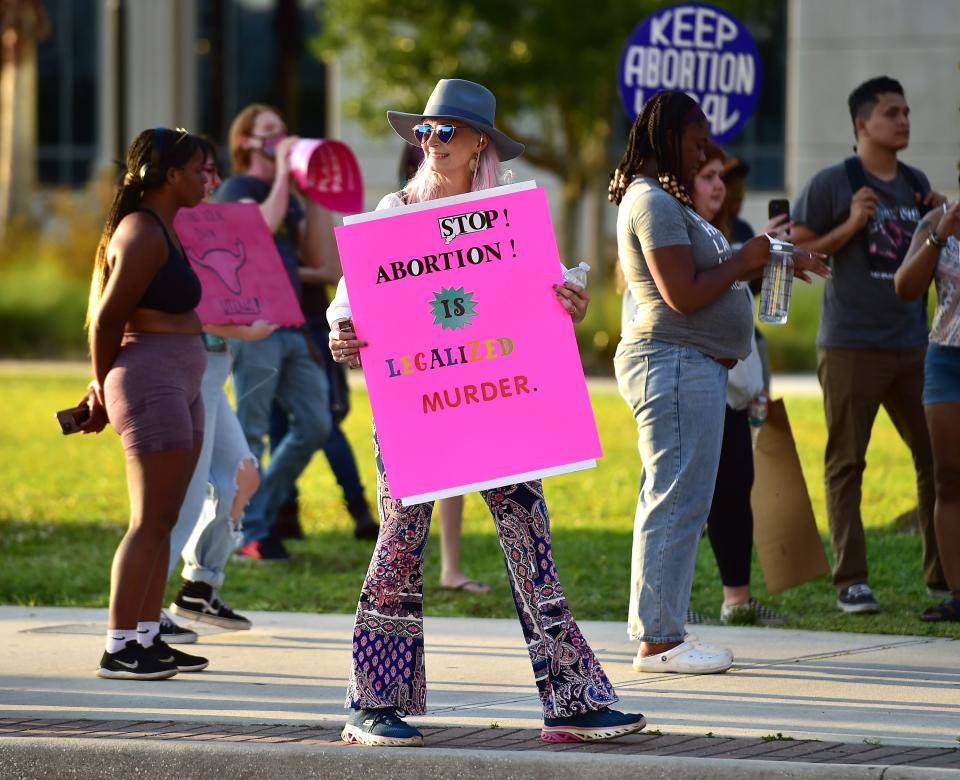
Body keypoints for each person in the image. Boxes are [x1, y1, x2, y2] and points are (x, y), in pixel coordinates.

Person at [328, 78, 645, 748]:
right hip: (417, 406)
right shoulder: (392, 210)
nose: (432, 143)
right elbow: (348, 303)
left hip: (501, 407)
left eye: (447, 132)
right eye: (425, 131)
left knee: (530, 539)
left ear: (479, 146)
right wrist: (342, 332)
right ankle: (369, 702)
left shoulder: (508, 219)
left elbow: (550, 292)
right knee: (400, 543)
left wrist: (571, 305)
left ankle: (571, 702)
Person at [608, 91, 828, 674]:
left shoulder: (665, 201)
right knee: (676, 497)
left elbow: (710, 270)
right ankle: (659, 640)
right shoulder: (650, 201)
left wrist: (775, 255)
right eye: (697, 139)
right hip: (672, 362)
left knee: (679, 495)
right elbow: (682, 294)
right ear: (666, 138)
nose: (706, 149)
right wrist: (747, 258)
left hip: (690, 365)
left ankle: (661, 631)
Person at [792, 76, 948, 613]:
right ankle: (851, 580)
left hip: (915, 343)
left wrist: (940, 224)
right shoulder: (834, 183)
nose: (904, 120)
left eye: (906, 111)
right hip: (851, 345)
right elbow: (797, 251)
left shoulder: (917, 183)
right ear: (863, 125)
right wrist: (851, 225)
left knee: (937, 460)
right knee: (847, 463)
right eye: (891, 112)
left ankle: (943, 574)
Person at [81, 127, 210, 679]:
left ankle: (147, 636)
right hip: (149, 380)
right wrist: (100, 386)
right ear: (170, 175)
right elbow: (107, 319)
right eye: (200, 170)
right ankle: (118, 647)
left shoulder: (166, 229)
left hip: (180, 380)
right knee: (148, 520)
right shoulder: (141, 232)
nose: (208, 179)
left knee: (166, 518)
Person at [161, 138, 274, 640]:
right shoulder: (164, 228)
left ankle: (199, 587)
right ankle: (143, 611)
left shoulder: (212, 225)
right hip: (188, 368)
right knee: (182, 498)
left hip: (215, 369)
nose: (210, 180)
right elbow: (187, 308)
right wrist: (242, 330)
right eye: (200, 171)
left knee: (240, 475)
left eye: (212, 171)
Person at [213, 104, 335, 562]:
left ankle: (258, 510)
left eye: (284, 131)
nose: (280, 138)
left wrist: (318, 194)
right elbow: (259, 228)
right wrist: (285, 173)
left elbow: (320, 258)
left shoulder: (290, 195)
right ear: (244, 141)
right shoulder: (236, 189)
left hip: (294, 325)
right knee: (253, 431)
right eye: (268, 132)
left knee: (316, 424)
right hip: (255, 328)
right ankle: (249, 532)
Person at [689, 142, 787, 626]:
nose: (725, 186)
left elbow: (750, 313)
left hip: (737, 380)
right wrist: (745, 256)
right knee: (684, 497)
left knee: (735, 488)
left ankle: (738, 601)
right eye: (711, 176)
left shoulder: (744, 232)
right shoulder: (683, 229)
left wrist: (756, 381)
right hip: (692, 382)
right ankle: (668, 605)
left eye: (726, 178)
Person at [895, 198, 960, 621]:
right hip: (947, 360)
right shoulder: (938, 220)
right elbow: (905, 286)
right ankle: (958, 593)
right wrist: (941, 233)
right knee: (949, 478)